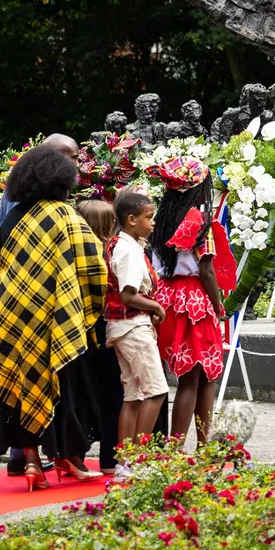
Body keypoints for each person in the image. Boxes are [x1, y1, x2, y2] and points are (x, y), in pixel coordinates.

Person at [0, 146, 109, 485]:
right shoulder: (65, 216)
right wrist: (92, 311)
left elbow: (6, 269)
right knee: (63, 385)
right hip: (56, 321)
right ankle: (68, 458)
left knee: (21, 385)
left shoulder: (12, 218)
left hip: (15, 320)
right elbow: (94, 268)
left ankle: (32, 463)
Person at [150, 159, 233, 447]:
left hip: (168, 296)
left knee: (187, 376)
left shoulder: (160, 219)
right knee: (202, 377)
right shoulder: (198, 221)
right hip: (195, 300)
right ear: (196, 190)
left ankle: (176, 443)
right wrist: (218, 304)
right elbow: (207, 269)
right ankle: (198, 444)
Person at [107, 188, 169, 475]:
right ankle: (139, 460)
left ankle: (124, 462)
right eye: (148, 217)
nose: (153, 222)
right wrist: (156, 306)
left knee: (133, 395)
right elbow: (128, 294)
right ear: (131, 220)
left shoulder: (122, 243)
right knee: (155, 392)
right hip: (132, 325)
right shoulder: (129, 249)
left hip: (122, 327)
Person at [75, 198, 125, 475]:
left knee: (83, 395)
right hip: (106, 331)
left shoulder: (74, 254)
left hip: (80, 334)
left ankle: (77, 454)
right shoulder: (109, 255)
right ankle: (110, 456)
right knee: (113, 395)